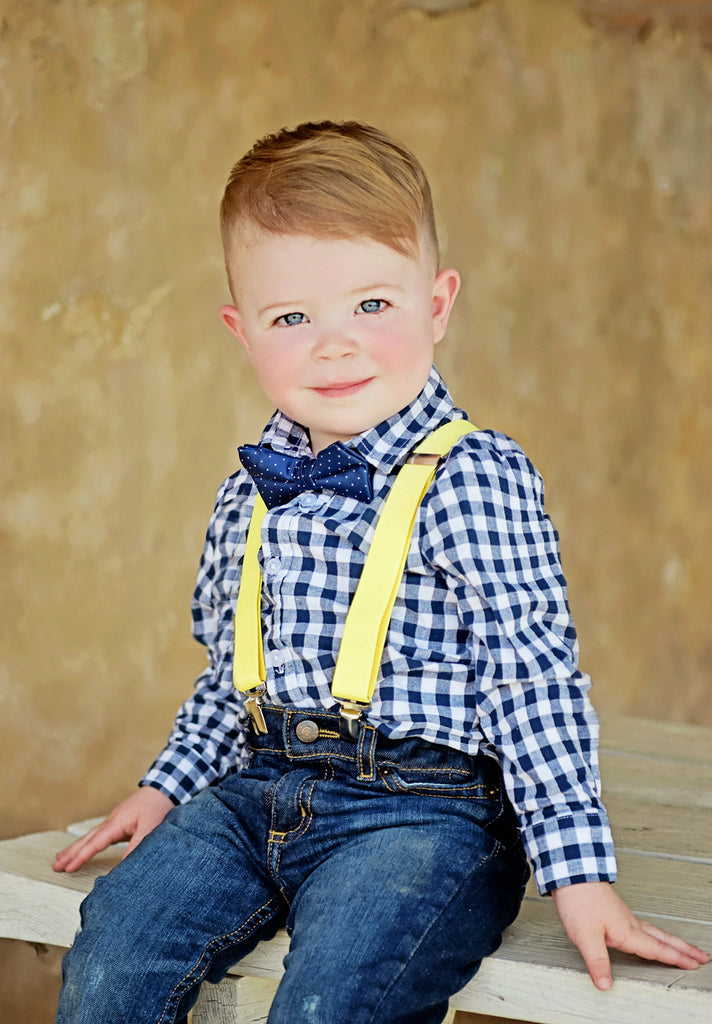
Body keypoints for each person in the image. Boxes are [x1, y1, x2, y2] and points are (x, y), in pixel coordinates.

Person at [53, 120, 708, 1024]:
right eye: (293, 318)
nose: (335, 344)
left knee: (333, 997)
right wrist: (166, 781)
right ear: (242, 332)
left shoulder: (472, 477)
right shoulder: (248, 494)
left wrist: (580, 873)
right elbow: (230, 674)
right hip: (258, 788)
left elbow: (532, 680)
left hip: (424, 813)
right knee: (114, 948)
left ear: (437, 305)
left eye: (372, 306)